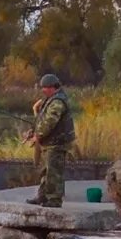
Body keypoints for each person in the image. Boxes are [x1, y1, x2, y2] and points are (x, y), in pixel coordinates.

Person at [29, 74, 74, 208]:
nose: (42, 90)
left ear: (52, 87)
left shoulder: (58, 102)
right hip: (49, 143)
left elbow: (49, 122)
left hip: (57, 143)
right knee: (45, 171)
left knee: (54, 172)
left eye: (45, 87)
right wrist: (33, 132)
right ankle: (42, 196)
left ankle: (54, 200)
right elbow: (42, 120)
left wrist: (38, 135)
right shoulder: (50, 100)